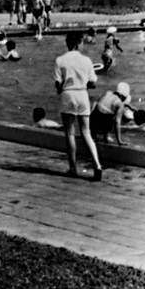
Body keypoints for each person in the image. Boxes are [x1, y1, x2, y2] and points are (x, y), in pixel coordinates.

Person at [54, 31, 103, 180]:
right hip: (82, 95)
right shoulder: (87, 60)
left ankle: (73, 168)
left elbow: (58, 84)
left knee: (69, 133)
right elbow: (93, 82)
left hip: (67, 94)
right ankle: (97, 165)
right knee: (86, 132)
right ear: (79, 43)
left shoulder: (60, 60)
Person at [90, 82, 133, 146]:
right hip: (102, 128)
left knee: (102, 108)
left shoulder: (108, 93)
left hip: (92, 124)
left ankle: (93, 136)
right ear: (123, 96)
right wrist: (119, 141)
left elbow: (97, 103)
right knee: (114, 114)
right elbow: (117, 122)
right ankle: (106, 136)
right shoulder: (120, 104)